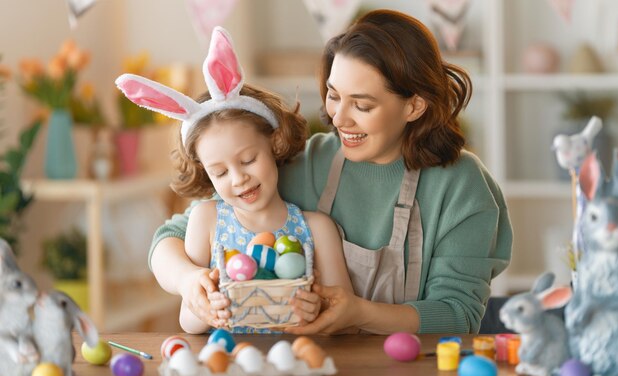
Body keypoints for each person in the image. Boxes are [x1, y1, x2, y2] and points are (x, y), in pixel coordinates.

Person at [149, 9, 512, 335]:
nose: (338, 119)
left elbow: (458, 314)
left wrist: (358, 313)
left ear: (414, 105)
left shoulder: (462, 186)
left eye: (362, 105)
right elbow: (173, 235)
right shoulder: (306, 162)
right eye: (334, 95)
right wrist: (188, 281)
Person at [116, 26, 353, 334]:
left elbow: (345, 321)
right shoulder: (207, 220)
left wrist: (317, 309)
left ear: (274, 144)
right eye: (221, 172)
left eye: (248, 160)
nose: (239, 179)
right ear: (206, 173)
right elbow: (188, 323)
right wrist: (203, 303)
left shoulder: (316, 229)